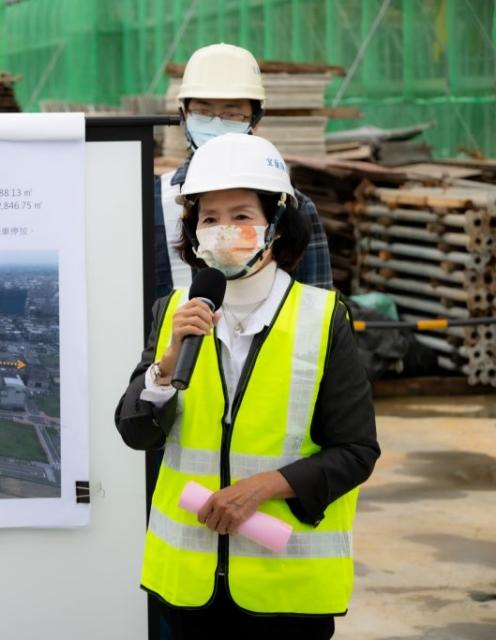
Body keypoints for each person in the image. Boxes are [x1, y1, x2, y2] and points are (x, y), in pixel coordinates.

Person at [116, 133, 379, 639]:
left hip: (285, 590)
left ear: (277, 225)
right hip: (190, 591)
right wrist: (165, 370)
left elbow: (356, 451)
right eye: (209, 218)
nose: (223, 230)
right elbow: (134, 433)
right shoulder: (174, 312)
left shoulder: (323, 318)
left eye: (241, 215)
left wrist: (259, 490)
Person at [154, 43, 333, 297]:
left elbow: (315, 308)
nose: (216, 123)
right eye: (203, 112)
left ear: (255, 120)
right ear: (183, 114)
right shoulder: (155, 201)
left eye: (232, 114)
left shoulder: (289, 204)